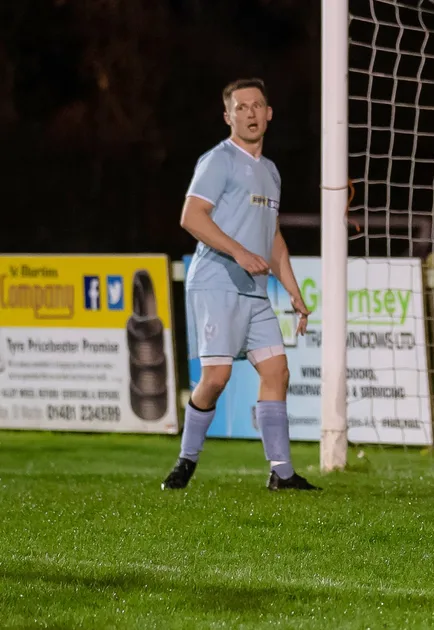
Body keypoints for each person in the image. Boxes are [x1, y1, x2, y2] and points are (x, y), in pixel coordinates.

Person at [162, 78, 318, 491]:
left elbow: (272, 237)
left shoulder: (270, 171)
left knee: (277, 371)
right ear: (228, 116)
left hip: (254, 290)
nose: (250, 114)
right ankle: (185, 461)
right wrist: (237, 252)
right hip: (216, 282)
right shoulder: (218, 160)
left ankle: (282, 473)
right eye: (241, 107)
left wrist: (294, 294)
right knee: (215, 378)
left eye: (257, 106)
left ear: (269, 114)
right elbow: (191, 217)